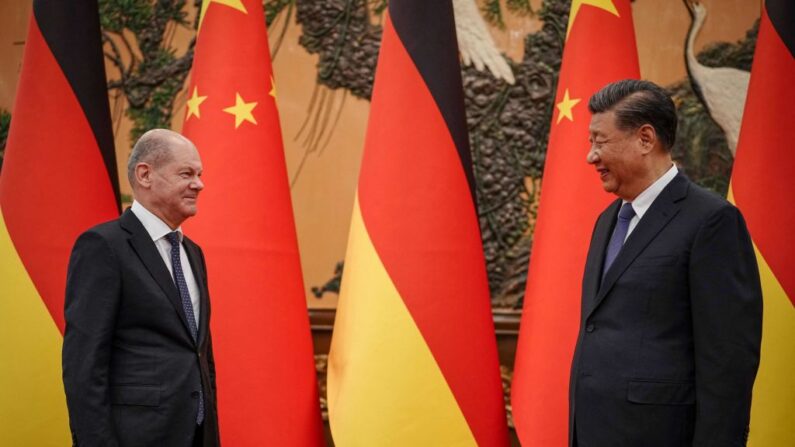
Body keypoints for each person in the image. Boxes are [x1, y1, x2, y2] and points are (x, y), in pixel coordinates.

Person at [569, 80, 762, 447]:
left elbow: (728, 362)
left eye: (600, 141)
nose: (591, 156)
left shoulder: (712, 221)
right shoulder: (607, 221)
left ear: (645, 139)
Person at [62, 129, 219, 446]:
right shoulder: (103, 246)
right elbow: (84, 364)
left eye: (200, 174)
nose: (199, 184)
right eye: (187, 173)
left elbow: (199, 353)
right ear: (145, 175)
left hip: (197, 434)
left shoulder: (192, 253)